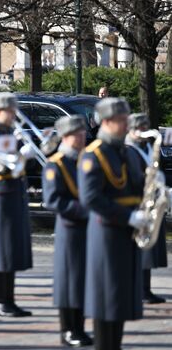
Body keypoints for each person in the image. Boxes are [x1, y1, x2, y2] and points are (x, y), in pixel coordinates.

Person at [78, 97, 145, 350]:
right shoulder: (93, 155)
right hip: (106, 232)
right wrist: (128, 216)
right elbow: (91, 198)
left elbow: (138, 185)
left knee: (120, 299)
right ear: (106, 122)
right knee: (107, 298)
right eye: (121, 120)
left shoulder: (126, 151)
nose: (126, 124)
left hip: (127, 232)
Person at [0, 92, 35, 317]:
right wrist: (15, 158)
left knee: (10, 249)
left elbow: (24, 168)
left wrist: (26, 155)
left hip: (14, 195)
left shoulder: (11, 132)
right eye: (10, 111)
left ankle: (8, 299)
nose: (13, 115)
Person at [43, 115, 93, 347]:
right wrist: (86, 211)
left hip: (87, 229)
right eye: (76, 134)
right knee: (70, 281)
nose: (82, 137)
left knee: (83, 280)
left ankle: (80, 327)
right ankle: (68, 330)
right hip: (70, 228)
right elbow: (53, 200)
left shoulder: (84, 160)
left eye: (83, 133)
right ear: (65, 136)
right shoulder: (56, 164)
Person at [125, 113, 167, 304]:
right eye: (139, 128)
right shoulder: (127, 149)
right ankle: (139, 289)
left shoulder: (148, 146)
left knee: (149, 246)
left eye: (144, 128)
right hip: (136, 202)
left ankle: (145, 288)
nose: (142, 132)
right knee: (139, 248)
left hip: (150, 200)